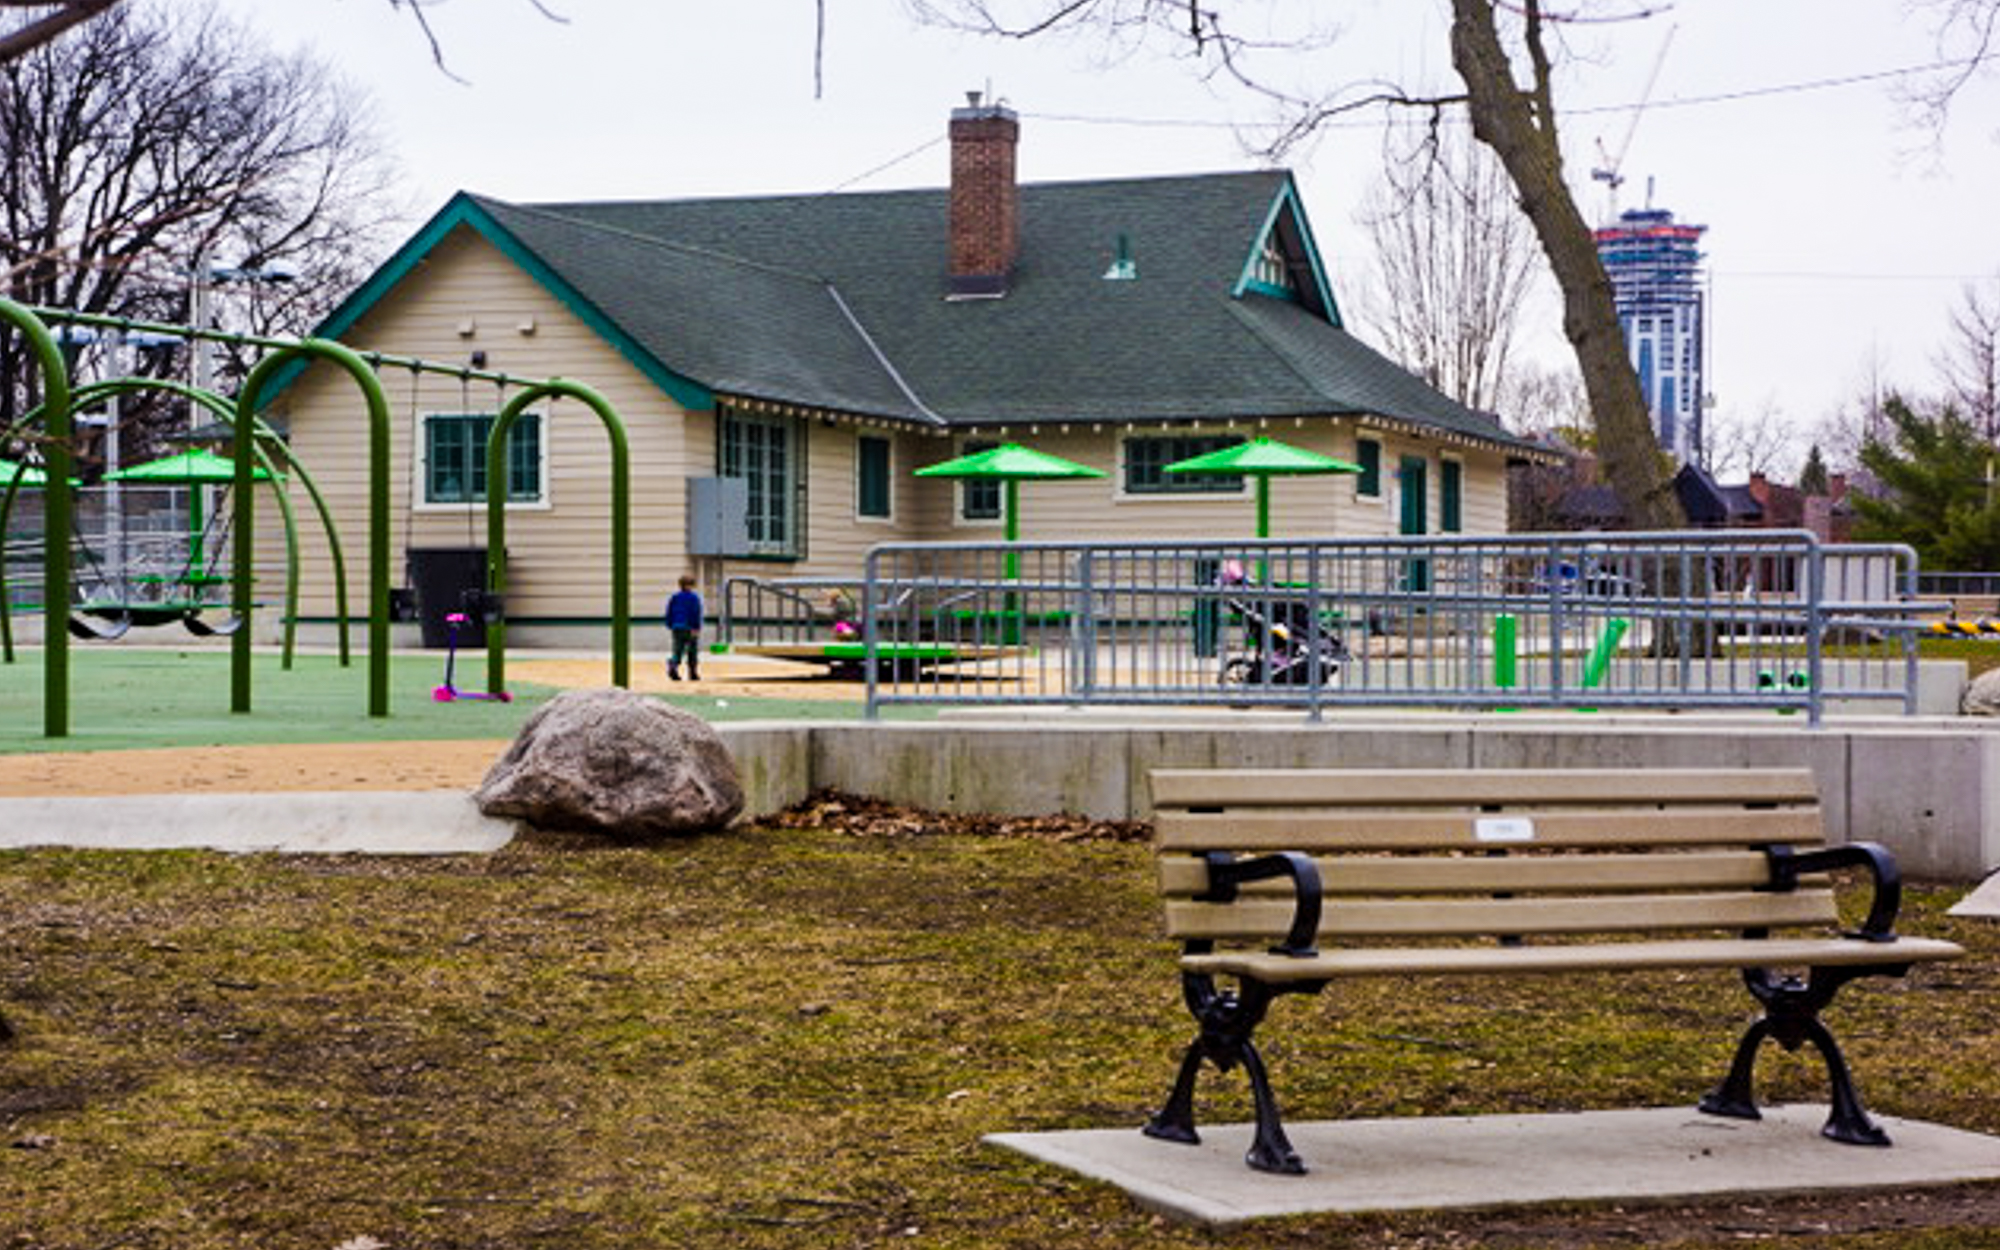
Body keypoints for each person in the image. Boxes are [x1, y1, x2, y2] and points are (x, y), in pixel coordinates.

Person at [664, 575, 703, 681]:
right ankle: (693, 672)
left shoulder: (675, 597)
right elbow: (695, 613)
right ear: (691, 585)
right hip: (689, 627)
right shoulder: (694, 598)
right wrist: (696, 627)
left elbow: (669, 611)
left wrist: (670, 624)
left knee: (677, 650)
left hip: (676, 626)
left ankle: (673, 664)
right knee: (692, 650)